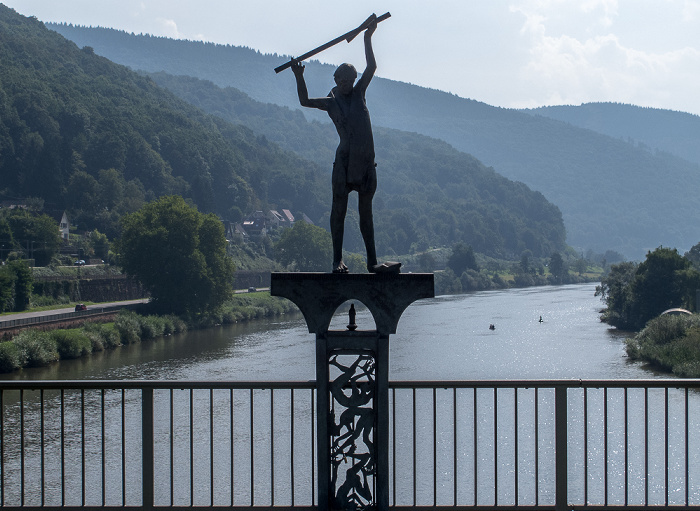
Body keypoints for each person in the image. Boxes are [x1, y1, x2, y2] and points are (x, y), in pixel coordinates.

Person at [291, 20, 399, 274]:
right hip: (343, 163)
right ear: (336, 80)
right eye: (342, 81)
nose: (347, 85)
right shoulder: (330, 103)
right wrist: (299, 75)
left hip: (365, 165)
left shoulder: (360, 92)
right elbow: (304, 101)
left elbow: (372, 66)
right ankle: (336, 260)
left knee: (366, 215)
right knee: (338, 211)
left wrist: (367, 36)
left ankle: (372, 262)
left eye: (350, 80)